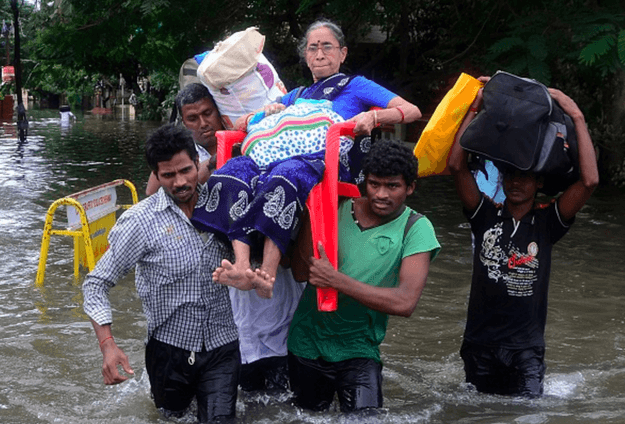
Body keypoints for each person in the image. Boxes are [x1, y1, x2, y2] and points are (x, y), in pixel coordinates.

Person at [193, 19, 422, 299]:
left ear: (343, 53)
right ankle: (241, 265)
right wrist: (268, 111)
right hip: (280, 155)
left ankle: (267, 272)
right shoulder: (297, 95)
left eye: (327, 47)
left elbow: (410, 111)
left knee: (285, 175)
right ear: (306, 56)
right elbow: (241, 124)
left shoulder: (356, 85)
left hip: (323, 159)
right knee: (233, 170)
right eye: (312, 48)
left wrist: (374, 116)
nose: (319, 54)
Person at [448, 78, 599, 397]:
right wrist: (477, 108)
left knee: (529, 414)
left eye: (525, 177)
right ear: (501, 178)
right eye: (510, 175)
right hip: (480, 345)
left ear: (539, 182)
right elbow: (456, 166)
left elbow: (588, 182)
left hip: (526, 351)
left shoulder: (547, 223)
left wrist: (577, 117)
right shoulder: (484, 215)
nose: (517, 183)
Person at [82, 123, 240, 422]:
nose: (180, 182)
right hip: (169, 352)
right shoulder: (140, 222)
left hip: (223, 346)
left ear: (198, 162)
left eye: (186, 171)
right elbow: (95, 284)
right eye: (168, 175)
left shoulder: (226, 203)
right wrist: (108, 345)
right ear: (156, 175)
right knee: (170, 417)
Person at [286, 139, 441, 412]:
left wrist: (336, 280)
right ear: (364, 182)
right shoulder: (338, 207)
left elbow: (405, 303)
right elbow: (300, 273)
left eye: (392, 186)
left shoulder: (416, 228)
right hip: (306, 343)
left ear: (410, 188)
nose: (381, 194)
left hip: (359, 348)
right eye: (374, 184)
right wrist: (315, 208)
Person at [145, 83, 223, 195]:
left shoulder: (241, 140)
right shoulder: (174, 147)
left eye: (207, 113)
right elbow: (150, 195)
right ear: (184, 122)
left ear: (218, 111)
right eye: (192, 119)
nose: (203, 123)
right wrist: (212, 163)